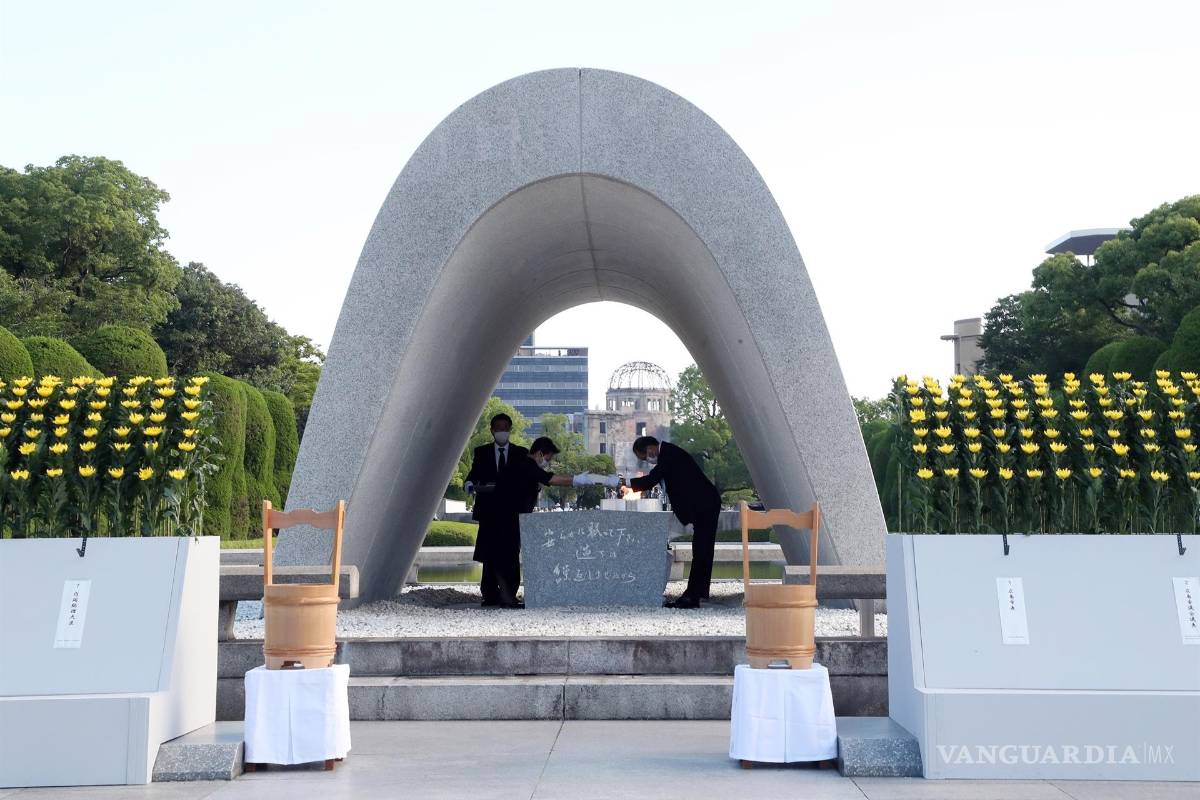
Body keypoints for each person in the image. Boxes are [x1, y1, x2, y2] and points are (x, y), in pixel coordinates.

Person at [622, 436, 720, 609]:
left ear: (651, 448)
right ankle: (700, 592)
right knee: (703, 550)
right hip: (706, 504)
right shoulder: (669, 453)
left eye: (645, 457)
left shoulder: (669, 454)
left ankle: (692, 597)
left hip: (705, 505)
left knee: (701, 550)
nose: (647, 461)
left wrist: (623, 482)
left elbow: (651, 480)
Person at [465, 413, 528, 608]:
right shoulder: (481, 452)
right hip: (489, 513)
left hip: (512, 514)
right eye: (498, 428)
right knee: (489, 554)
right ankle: (490, 594)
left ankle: (510, 594)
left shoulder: (521, 453)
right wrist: (468, 483)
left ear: (510, 430)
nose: (502, 432)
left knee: (510, 554)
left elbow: (527, 478)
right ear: (492, 430)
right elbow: (474, 474)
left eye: (505, 428)